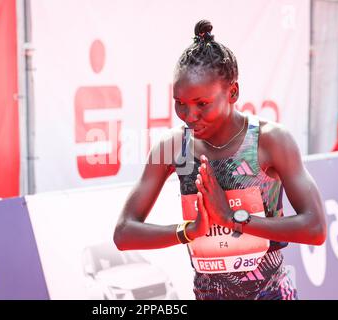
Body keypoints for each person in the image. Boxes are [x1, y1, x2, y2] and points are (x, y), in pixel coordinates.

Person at [113, 20, 326, 300]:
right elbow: (124, 233)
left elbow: (316, 227)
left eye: (202, 104)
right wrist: (188, 231)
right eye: (180, 103)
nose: (189, 116)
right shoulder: (173, 146)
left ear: (233, 93)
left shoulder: (270, 141)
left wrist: (233, 219)